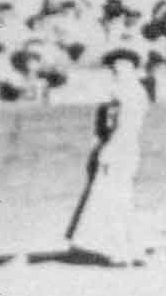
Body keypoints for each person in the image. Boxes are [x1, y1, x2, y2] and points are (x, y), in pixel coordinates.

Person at [65, 47, 152, 268]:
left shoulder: (124, 91)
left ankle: (120, 251)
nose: (117, 70)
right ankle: (131, 250)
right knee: (121, 200)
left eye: (121, 66)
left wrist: (108, 150)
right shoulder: (133, 90)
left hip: (120, 149)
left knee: (114, 199)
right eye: (116, 67)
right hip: (127, 149)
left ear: (130, 67)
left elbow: (122, 127)